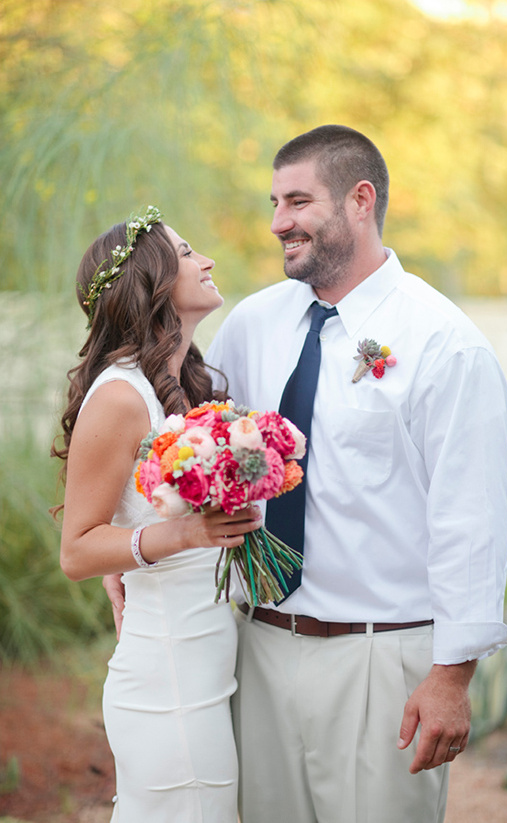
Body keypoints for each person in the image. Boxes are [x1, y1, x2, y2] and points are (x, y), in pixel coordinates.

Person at [203, 125, 507, 823]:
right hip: (258, 643)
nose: (277, 221)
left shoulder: (444, 342)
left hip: (382, 660)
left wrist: (451, 677)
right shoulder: (251, 324)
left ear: (359, 200)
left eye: (297, 200)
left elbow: (472, 517)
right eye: (274, 201)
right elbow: (194, 444)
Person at [52, 205, 262, 823]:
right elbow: (77, 551)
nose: (208, 260)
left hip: (205, 670)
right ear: (152, 279)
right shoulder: (120, 397)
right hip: (168, 683)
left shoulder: (183, 387)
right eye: (189, 251)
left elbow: (127, 525)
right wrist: (184, 533)